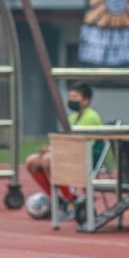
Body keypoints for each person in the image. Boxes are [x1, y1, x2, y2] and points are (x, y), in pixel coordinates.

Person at [24, 82, 102, 218]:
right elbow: (65, 140)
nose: (71, 100)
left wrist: (53, 152)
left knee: (49, 160)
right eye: (70, 97)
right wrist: (50, 149)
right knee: (31, 161)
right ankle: (57, 200)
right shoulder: (71, 117)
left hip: (86, 157)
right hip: (70, 154)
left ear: (86, 100)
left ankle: (70, 199)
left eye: (75, 97)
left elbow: (82, 144)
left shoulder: (91, 116)